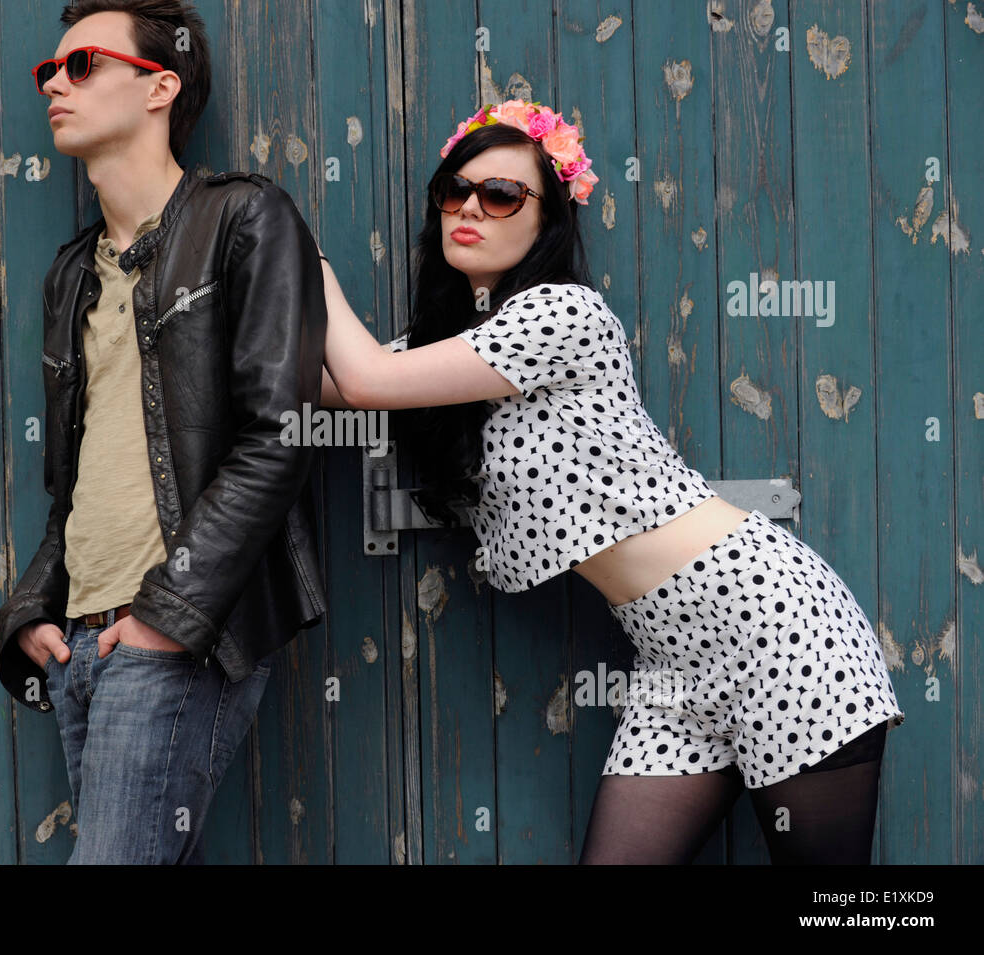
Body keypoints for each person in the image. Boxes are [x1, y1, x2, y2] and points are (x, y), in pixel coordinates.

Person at [318, 99, 904, 864]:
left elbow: (364, 382)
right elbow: (326, 383)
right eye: (453, 191)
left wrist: (306, 263)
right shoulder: (453, 348)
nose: (470, 207)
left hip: (777, 632)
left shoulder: (564, 313)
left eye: (501, 195)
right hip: (672, 668)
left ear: (548, 217)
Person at [0, 0, 328, 863]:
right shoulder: (72, 273)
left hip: (177, 630)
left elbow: (278, 436)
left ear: (160, 87)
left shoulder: (245, 220)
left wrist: (165, 616)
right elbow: (74, 477)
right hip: (78, 640)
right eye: (48, 72)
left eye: (82, 66)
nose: (55, 85)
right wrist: (38, 604)